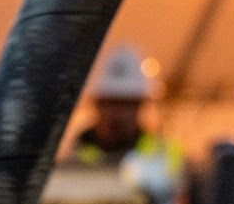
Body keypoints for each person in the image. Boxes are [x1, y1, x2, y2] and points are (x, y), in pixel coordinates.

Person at [66, 45, 187, 185]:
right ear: (96, 104)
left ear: (140, 106)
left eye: (127, 104)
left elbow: (183, 203)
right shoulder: (69, 159)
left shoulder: (166, 157)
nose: (118, 113)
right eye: (111, 102)